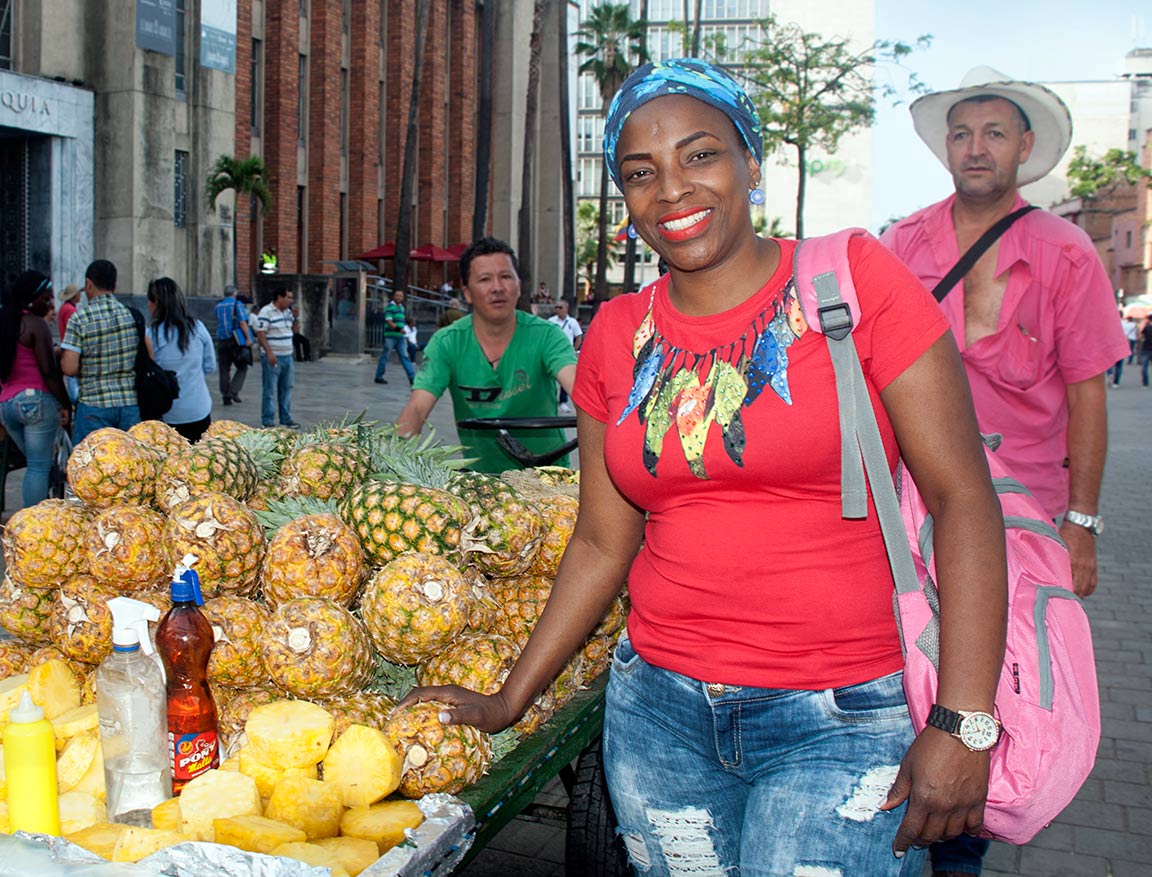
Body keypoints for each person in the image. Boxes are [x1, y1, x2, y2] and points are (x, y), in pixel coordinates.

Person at [401, 59, 1008, 875]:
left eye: (700, 155)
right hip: (658, 716)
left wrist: (965, 720)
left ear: (750, 163)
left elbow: (962, 497)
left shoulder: (855, 280)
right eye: (641, 173)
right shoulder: (614, 333)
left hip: (840, 718)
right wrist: (513, 696)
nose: (673, 191)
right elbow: (598, 542)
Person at [880, 66, 1130, 877]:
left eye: (994, 132)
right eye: (962, 132)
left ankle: (962, 846)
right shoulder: (900, 244)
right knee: (906, 670)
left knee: (1001, 690)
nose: (976, 147)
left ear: (1025, 147)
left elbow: (1087, 392)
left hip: (1018, 521)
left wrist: (1081, 525)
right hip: (912, 505)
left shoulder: (1067, 252)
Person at [396, 237, 577, 473]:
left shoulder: (547, 336)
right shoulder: (447, 342)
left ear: (518, 286)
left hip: (548, 475)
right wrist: (394, 460)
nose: (497, 287)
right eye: (484, 279)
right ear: (467, 293)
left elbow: (579, 388)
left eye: (505, 276)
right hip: (482, 481)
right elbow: (418, 408)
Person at [0, 271, 72, 507]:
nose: (50, 304)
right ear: (33, 298)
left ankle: (37, 518)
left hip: (7, 405)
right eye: (46, 299)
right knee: (38, 466)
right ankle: (35, 527)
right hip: (34, 403)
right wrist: (65, 404)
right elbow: (49, 372)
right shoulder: (35, 325)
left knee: (36, 464)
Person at [60, 259, 142, 444]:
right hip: (128, 403)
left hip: (93, 404)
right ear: (115, 285)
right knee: (130, 465)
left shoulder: (79, 319)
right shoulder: (131, 315)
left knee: (90, 466)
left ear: (88, 284)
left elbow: (70, 368)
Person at [146, 277, 216, 443]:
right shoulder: (198, 328)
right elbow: (210, 366)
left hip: (167, 414)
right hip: (198, 409)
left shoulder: (151, 335)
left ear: (156, 303)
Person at [256, 289, 299, 428]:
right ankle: (268, 420)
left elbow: (295, 331)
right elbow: (261, 334)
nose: (291, 300)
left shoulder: (287, 313)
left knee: (287, 388)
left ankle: (285, 418)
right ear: (279, 297)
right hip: (273, 356)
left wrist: (296, 318)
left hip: (287, 356)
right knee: (270, 389)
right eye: (288, 297)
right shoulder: (266, 312)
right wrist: (269, 353)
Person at [213, 284, 253, 405]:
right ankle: (233, 391)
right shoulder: (237, 304)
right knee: (242, 366)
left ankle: (225, 394)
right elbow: (242, 323)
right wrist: (248, 338)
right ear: (234, 293)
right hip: (235, 340)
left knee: (224, 368)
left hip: (221, 340)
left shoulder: (218, 306)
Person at [547, 299, 583, 414]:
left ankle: (563, 402)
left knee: (566, 377)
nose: (557, 310)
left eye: (560, 308)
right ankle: (550, 400)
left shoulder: (572, 322)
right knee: (551, 378)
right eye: (556, 307)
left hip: (566, 354)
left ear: (566, 309)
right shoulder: (551, 321)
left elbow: (578, 336)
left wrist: (574, 349)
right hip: (552, 352)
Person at [374, 289, 414, 385]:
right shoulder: (390, 307)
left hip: (400, 337)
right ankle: (379, 376)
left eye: (400, 296)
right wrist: (399, 329)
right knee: (385, 356)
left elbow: (401, 321)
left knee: (405, 356)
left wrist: (403, 330)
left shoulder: (402, 308)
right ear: (393, 296)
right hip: (391, 336)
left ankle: (412, 377)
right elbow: (389, 321)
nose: (399, 297)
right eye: (397, 295)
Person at [1113, 314, 1138, 386]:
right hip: (1129, 340)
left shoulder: (1120, 324)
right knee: (1120, 365)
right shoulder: (1133, 324)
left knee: (1111, 363)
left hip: (1115, 344)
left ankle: (1110, 373)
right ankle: (1116, 382)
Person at [1140, 316, 1152, 387]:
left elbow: (1141, 336)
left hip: (1146, 348)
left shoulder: (1147, 327)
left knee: (1144, 367)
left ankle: (1145, 383)